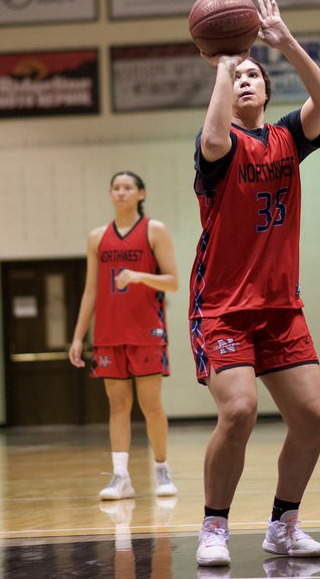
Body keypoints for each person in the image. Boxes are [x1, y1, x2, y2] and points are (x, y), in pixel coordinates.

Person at [190, 0, 320, 568]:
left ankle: (284, 523)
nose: (245, 79)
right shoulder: (217, 147)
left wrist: (283, 42)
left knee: (312, 417)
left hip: (280, 307)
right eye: (238, 75)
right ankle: (214, 527)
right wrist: (225, 63)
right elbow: (212, 136)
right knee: (239, 411)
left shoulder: (286, 140)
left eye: (254, 74)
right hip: (222, 308)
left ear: (268, 93)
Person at [68, 170, 180, 500]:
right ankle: (120, 477)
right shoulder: (96, 237)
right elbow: (91, 291)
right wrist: (78, 337)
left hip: (146, 330)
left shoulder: (154, 231)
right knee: (117, 405)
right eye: (115, 187)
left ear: (141, 194)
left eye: (127, 187)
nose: (120, 192)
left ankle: (161, 470)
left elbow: (173, 281)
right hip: (108, 332)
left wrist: (140, 276)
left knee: (151, 405)